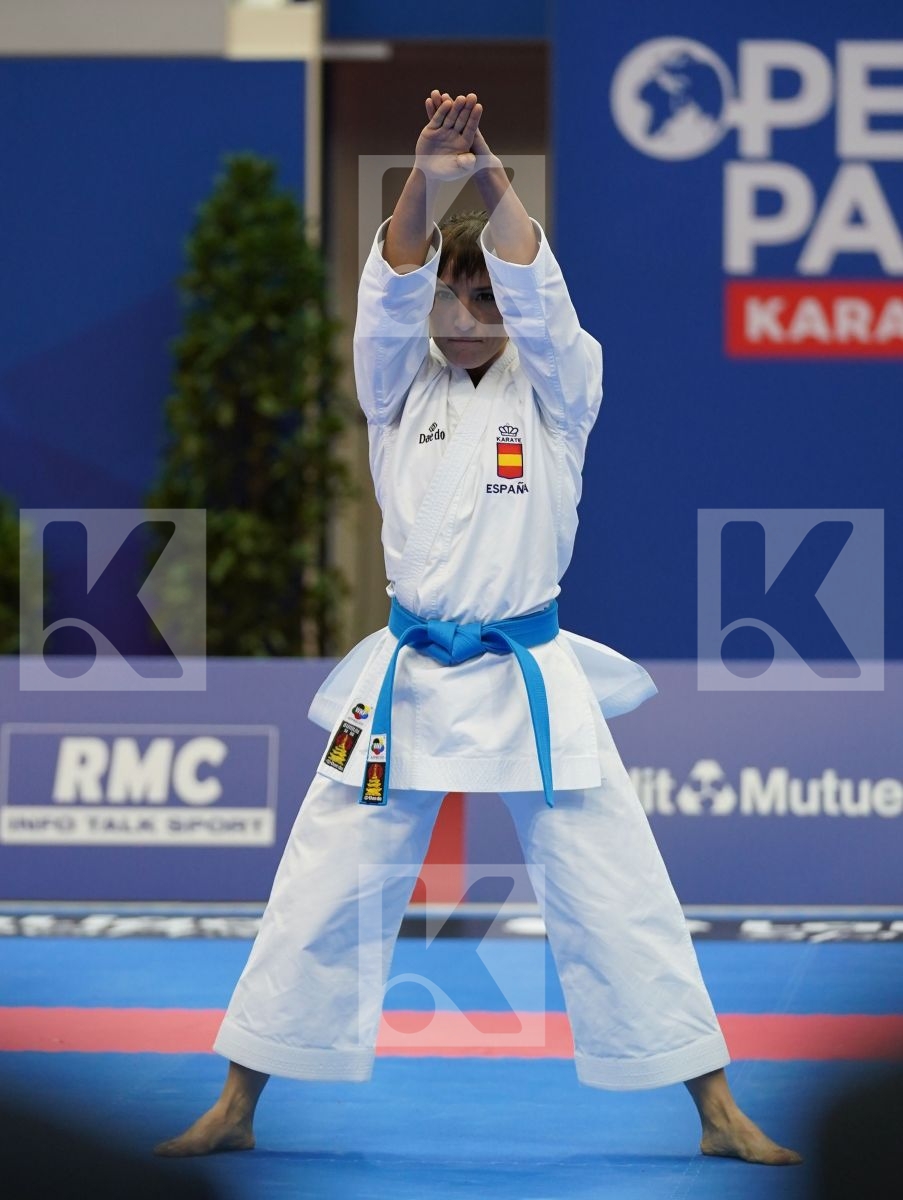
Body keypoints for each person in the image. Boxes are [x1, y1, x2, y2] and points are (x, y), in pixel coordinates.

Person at [155, 90, 801, 1167]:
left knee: (618, 888)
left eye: (485, 297)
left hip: (530, 674)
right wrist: (425, 176)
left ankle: (717, 1113)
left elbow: (543, 300)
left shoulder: (559, 395)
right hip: (405, 677)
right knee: (320, 883)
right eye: (449, 296)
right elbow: (389, 292)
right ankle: (236, 1104)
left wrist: (492, 177)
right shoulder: (394, 390)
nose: (462, 315)